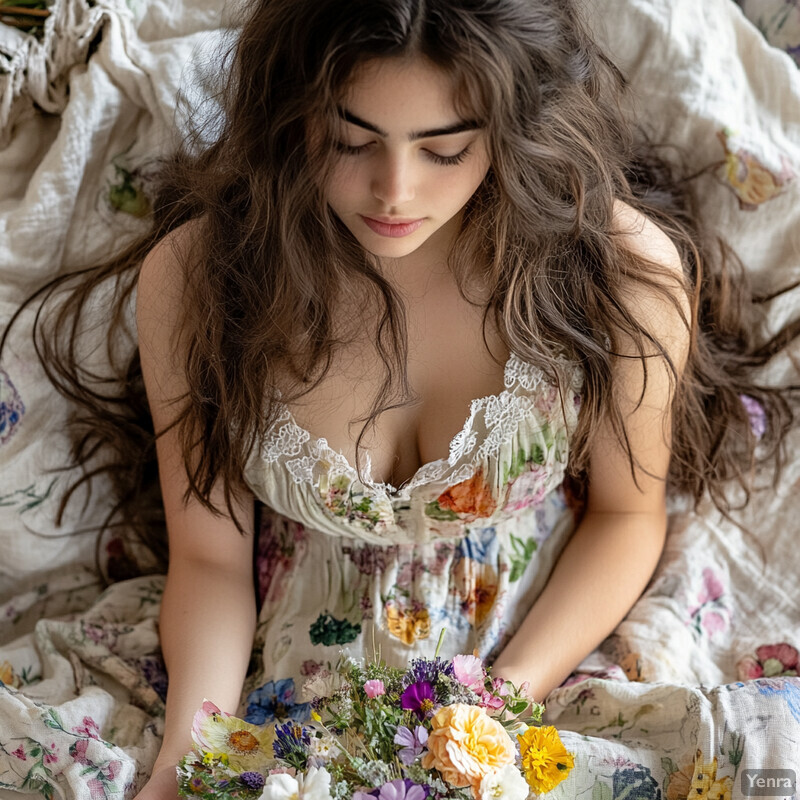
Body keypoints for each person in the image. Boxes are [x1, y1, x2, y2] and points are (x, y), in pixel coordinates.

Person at [2, 0, 797, 798]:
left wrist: (501, 704)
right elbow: (209, 560)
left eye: (445, 149)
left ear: (513, 125)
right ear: (293, 114)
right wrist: (186, 756)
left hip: (541, 655)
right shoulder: (203, 276)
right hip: (278, 675)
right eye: (350, 140)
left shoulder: (617, 273)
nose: (394, 190)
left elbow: (629, 516)